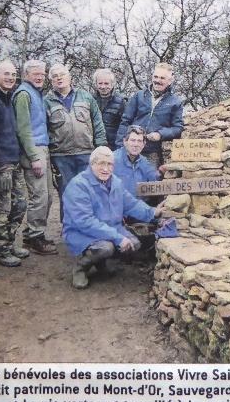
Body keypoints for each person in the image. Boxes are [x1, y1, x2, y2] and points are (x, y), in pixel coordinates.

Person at [61, 147, 162, 289]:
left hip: (111, 228)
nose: (106, 169)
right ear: (91, 164)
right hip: (81, 232)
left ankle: (100, 263)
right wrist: (118, 238)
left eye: (109, 164)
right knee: (106, 248)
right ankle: (81, 268)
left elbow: (131, 204)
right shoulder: (78, 186)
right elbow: (85, 222)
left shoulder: (115, 182)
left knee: (135, 244)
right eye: (101, 163)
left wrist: (152, 212)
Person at [0, 60, 31, 267]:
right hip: (2, 164)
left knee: (20, 204)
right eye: (6, 74)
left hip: (14, 160)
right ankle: (0, 250)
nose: (10, 78)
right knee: (2, 208)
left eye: (13, 74)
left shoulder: (8, 98)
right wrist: (1, 163)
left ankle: (10, 244)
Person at [12, 59, 58, 255]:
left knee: (47, 196)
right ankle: (33, 237)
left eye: (42, 73)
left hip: (43, 148)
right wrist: (33, 157)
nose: (40, 77)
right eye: (35, 73)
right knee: (39, 196)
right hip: (34, 151)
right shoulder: (23, 94)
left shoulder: (36, 94)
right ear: (26, 75)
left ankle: (36, 232)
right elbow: (23, 130)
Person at [45, 63, 107, 196]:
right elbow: (43, 130)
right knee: (67, 194)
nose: (59, 78)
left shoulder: (85, 96)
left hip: (86, 154)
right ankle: (67, 218)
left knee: (89, 193)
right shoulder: (47, 101)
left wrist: (100, 148)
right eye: (55, 76)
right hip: (61, 157)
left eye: (62, 75)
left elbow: (98, 123)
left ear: (70, 77)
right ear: (51, 81)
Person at [115, 62, 185, 169]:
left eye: (162, 78)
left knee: (148, 183)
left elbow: (177, 128)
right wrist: (120, 146)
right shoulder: (139, 96)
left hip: (152, 152)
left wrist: (160, 134)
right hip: (131, 149)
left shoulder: (175, 102)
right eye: (155, 77)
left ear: (170, 81)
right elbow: (125, 121)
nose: (158, 81)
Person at [112, 126, 160, 198]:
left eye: (139, 141)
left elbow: (155, 182)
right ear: (125, 142)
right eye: (132, 140)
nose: (136, 144)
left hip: (138, 206)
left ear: (144, 144)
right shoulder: (112, 160)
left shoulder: (145, 163)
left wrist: (161, 173)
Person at [92, 68, 126, 151]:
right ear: (96, 84)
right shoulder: (90, 100)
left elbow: (125, 125)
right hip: (93, 146)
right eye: (100, 83)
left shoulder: (122, 102)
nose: (103, 87)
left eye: (106, 83)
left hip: (114, 147)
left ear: (112, 84)